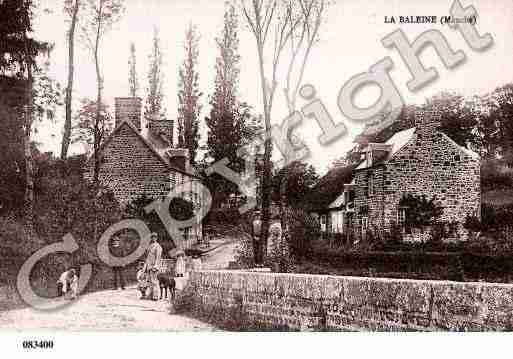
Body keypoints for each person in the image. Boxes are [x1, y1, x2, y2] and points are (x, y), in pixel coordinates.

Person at [144, 232, 162, 301]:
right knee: (150, 281)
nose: (153, 238)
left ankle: (155, 296)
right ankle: (151, 295)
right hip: (149, 265)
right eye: (152, 237)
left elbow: (158, 257)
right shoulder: (150, 246)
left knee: (154, 281)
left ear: (156, 238)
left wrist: (156, 266)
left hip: (154, 266)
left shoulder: (158, 246)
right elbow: (148, 256)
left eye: (154, 237)